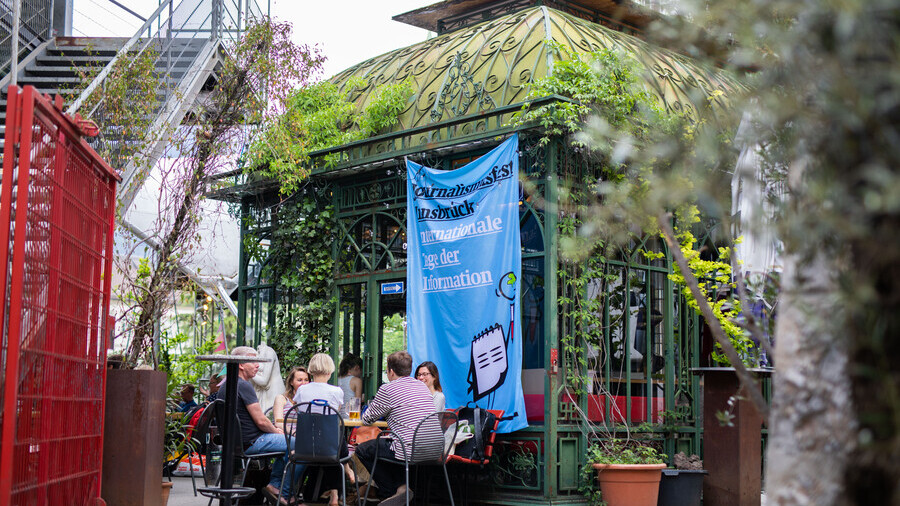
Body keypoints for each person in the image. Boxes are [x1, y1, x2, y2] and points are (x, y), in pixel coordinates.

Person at [356, 351, 441, 505]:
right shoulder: (423, 388)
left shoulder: (388, 389)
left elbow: (367, 419)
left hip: (410, 448)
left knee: (363, 449)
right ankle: (401, 490)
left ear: (391, 371)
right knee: (391, 446)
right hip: (435, 448)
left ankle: (394, 491)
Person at [221, 346, 302, 505]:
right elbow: (261, 421)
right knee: (298, 445)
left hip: (237, 443)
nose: (258, 364)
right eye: (253, 360)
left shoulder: (228, 384)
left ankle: (275, 485)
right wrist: (277, 431)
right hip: (252, 442)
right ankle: (282, 491)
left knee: (287, 445)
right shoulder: (243, 385)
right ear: (241, 364)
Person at [293, 354, 346, 506]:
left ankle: (328, 494)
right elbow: (334, 417)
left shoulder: (302, 390)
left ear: (311, 371)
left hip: (305, 445)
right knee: (334, 443)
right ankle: (336, 494)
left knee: (327, 443)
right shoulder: (336, 391)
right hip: (328, 447)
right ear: (330, 371)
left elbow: (300, 413)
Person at [273, 366, 310, 434]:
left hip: (304, 437)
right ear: (291, 382)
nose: (303, 383)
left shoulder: (309, 401)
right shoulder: (281, 398)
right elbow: (278, 423)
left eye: (306, 380)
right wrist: (294, 433)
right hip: (286, 436)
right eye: (299, 380)